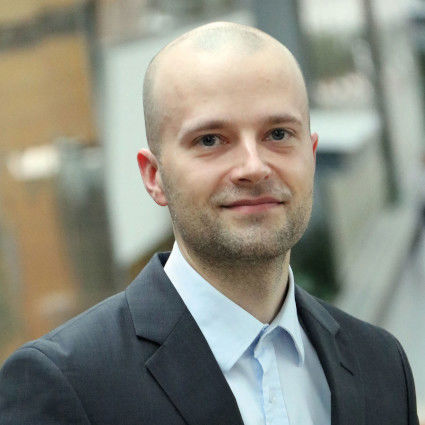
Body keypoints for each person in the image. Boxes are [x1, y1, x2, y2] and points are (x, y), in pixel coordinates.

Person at [0, 22, 419, 425]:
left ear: (310, 156)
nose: (254, 167)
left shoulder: (381, 364)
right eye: (210, 140)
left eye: (277, 134)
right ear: (154, 177)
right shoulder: (66, 385)